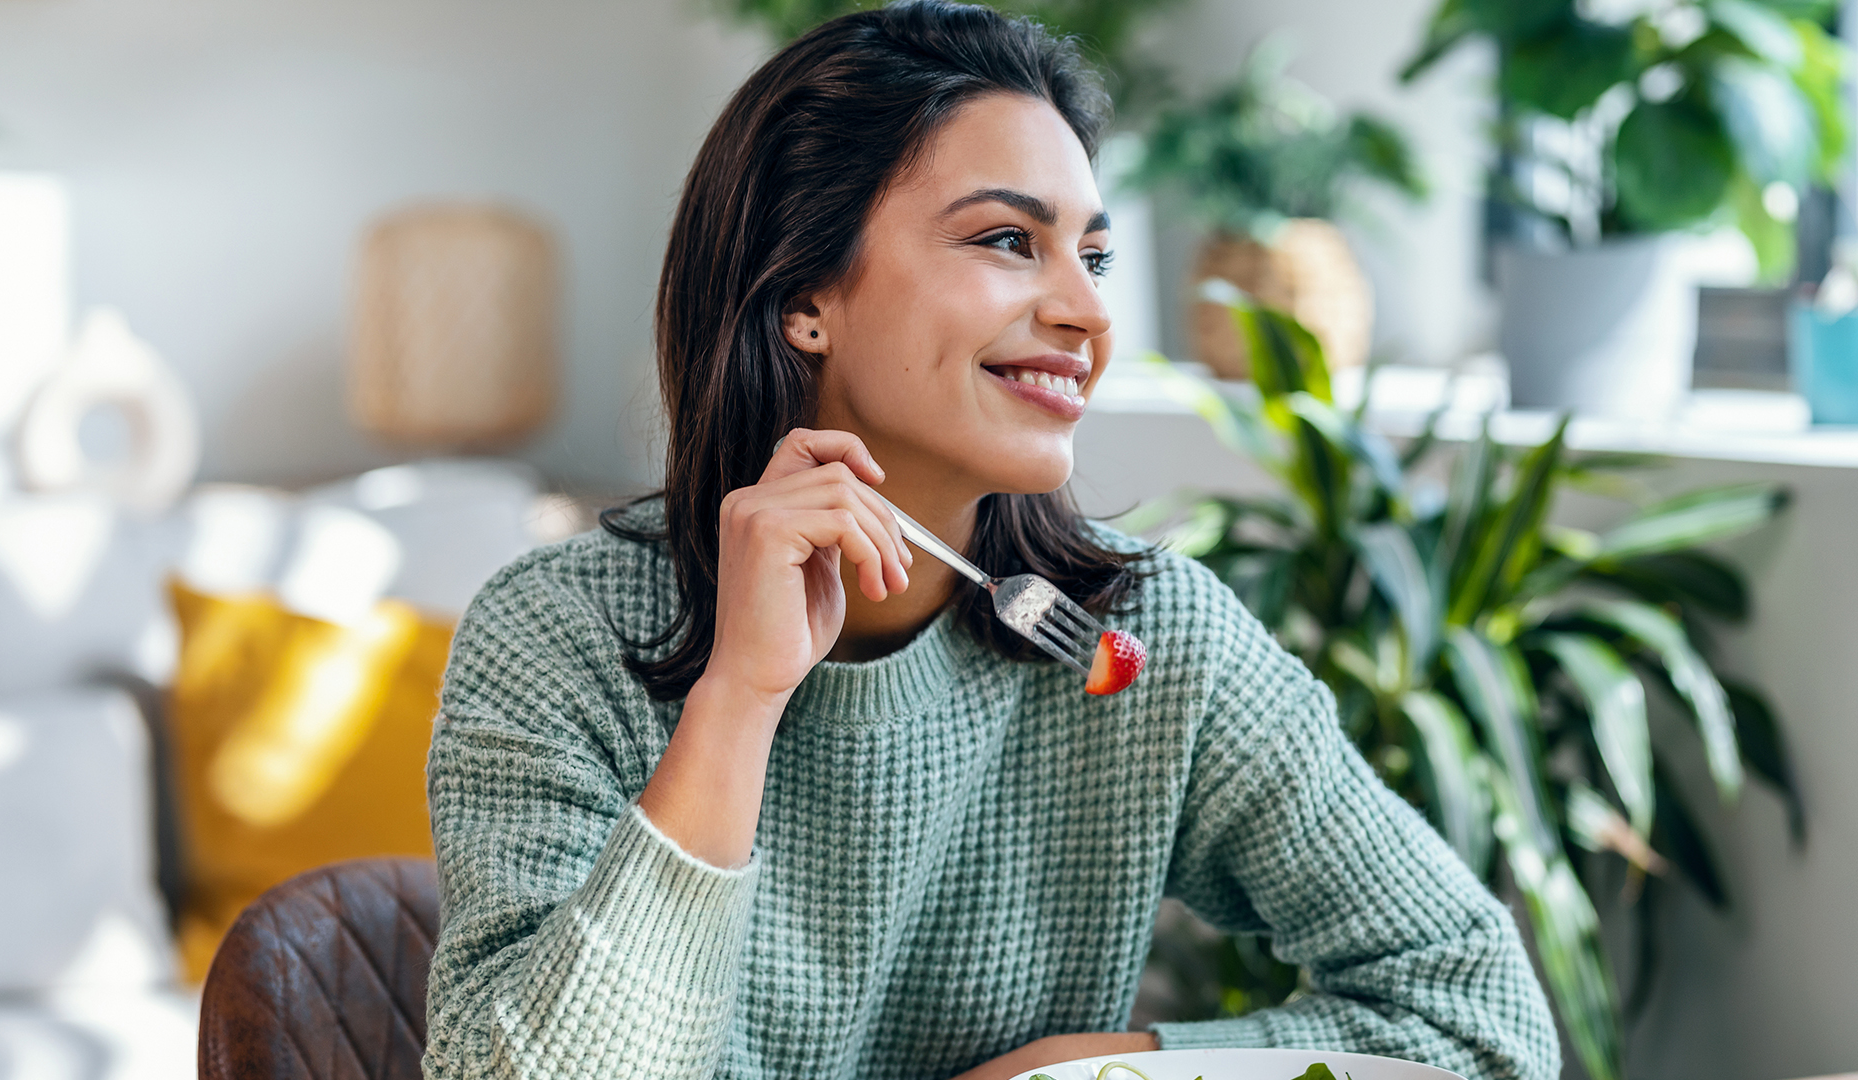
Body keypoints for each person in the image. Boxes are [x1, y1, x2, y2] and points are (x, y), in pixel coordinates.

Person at [422, 4, 1558, 1079]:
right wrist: (739, 698)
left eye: (1094, 257)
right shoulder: (557, 639)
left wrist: (1100, 1068)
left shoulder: (1149, 639)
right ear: (806, 294)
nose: (1090, 313)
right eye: (1011, 240)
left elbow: (1482, 1016)